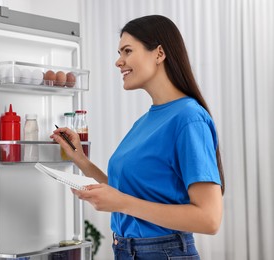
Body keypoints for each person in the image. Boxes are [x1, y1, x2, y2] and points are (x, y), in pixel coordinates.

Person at [51, 15, 224, 260]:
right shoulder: (144, 122)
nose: (118, 61)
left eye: (127, 51)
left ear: (159, 53)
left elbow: (209, 219)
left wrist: (121, 203)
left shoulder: (188, 118)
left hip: (164, 253)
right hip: (126, 251)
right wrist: (83, 163)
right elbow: (129, 192)